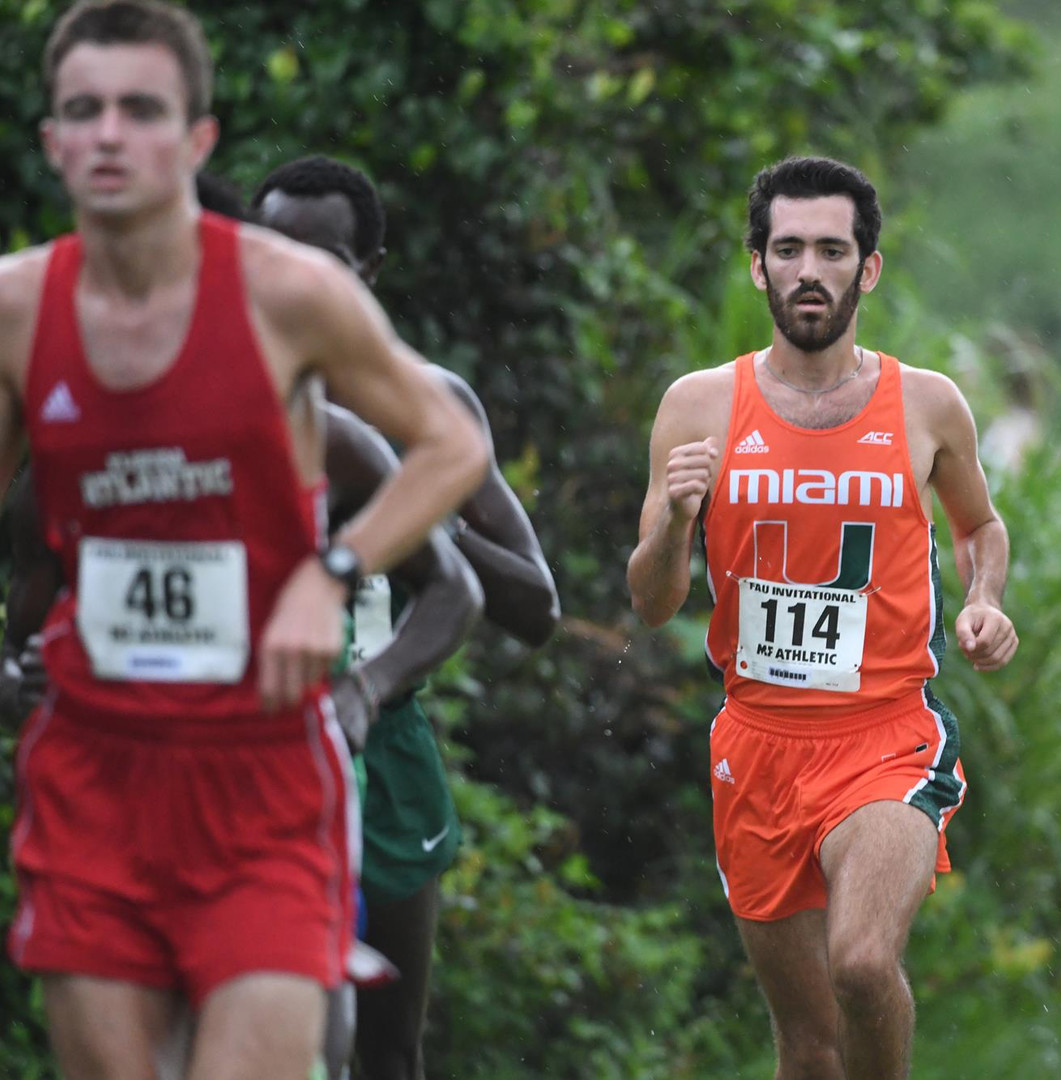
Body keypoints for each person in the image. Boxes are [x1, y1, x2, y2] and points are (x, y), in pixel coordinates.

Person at [0, 3, 488, 1079]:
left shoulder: (290, 294)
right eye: (85, 111)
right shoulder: (20, 308)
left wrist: (336, 570)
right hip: (94, 766)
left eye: (143, 109)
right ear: (53, 142)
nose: (113, 135)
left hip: (263, 766)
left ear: (197, 138)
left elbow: (449, 444)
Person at [628, 155, 1017, 1080]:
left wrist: (986, 601)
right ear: (757, 265)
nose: (811, 269)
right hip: (756, 744)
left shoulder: (926, 403)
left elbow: (980, 527)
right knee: (807, 1047)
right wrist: (676, 520)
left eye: (832, 250)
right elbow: (651, 603)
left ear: (867, 269)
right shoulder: (698, 406)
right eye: (789, 248)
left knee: (863, 962)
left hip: (886, 736)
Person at [250, 153, 560, 1080]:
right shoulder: (213, 398)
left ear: (369, 271)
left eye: (327, 262)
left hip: (375, 737)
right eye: (273, 252)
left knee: (387, 1045)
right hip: (232, 731)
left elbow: (537, 606)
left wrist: (404, 513)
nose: (297, 278)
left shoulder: (426, 407)